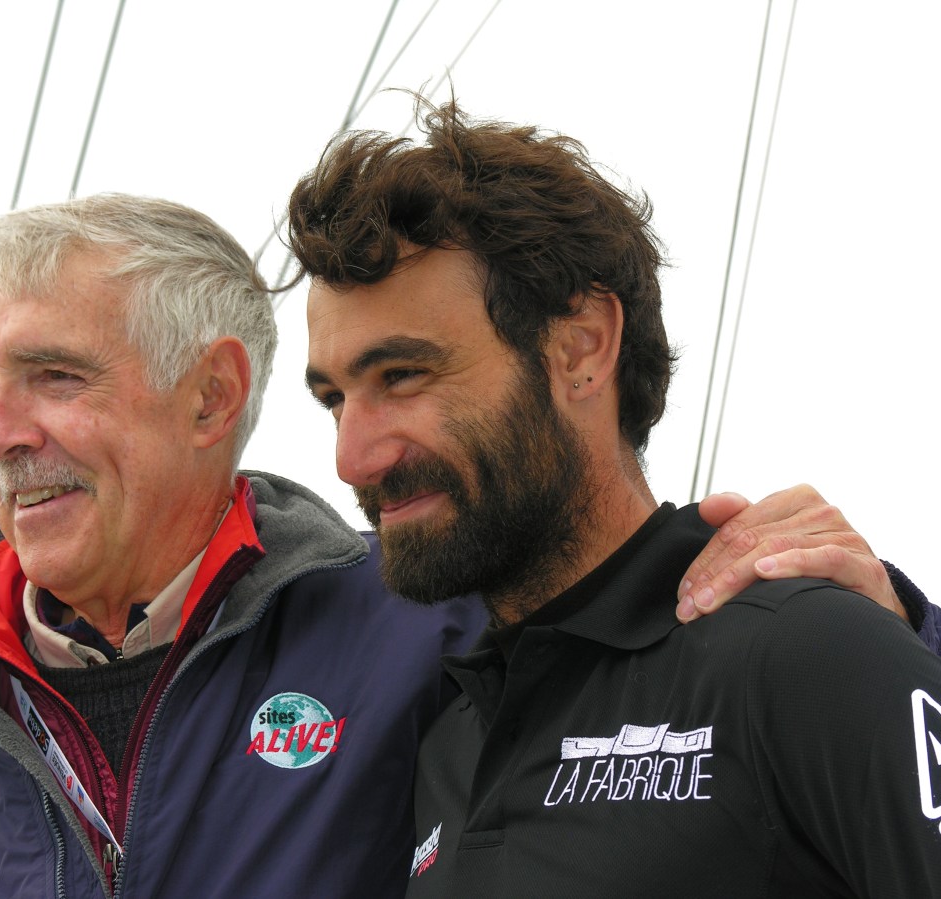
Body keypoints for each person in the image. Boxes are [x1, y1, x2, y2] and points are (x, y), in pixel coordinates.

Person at [0, 195, 929, 899]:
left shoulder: (432, 626)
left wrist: (895, 626)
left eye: (54, 376)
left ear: (212, 397)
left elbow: (647, 620)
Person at [287, 99, 941, 896]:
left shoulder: (802, 649)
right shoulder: (449, 736)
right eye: (334, 398)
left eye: (402, 376)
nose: (352, 459)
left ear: (581, 348)